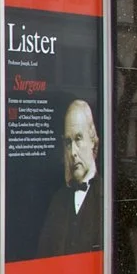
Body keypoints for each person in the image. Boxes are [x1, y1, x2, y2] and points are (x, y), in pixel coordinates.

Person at [33, 98, 104, 258]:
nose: (73, 152)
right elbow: (43, 258)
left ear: (93, 142)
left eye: (78, 139)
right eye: (68, 142)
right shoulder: (58, 201)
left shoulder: (107, 197)